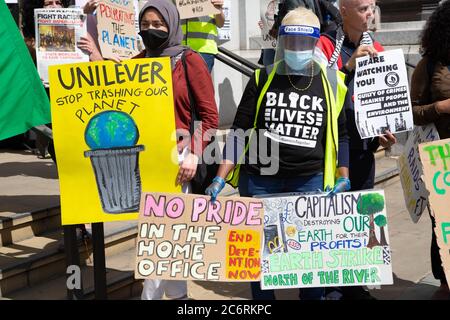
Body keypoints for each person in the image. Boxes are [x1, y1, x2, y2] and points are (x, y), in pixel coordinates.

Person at [206, 7, 351, 300]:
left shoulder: (331, 82)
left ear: (314, 43)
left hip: (308, 184)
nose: (297, 49)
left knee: (309, 268)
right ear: (282, 41)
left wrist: (343, 175)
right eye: (291, 42)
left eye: (304, 43)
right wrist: (219, 178)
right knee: (260, 266)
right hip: (260, 183)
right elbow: (239, 131)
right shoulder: (262, 79)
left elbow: (342, 135)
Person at [136, 0, 219, 300]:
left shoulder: (189, 59)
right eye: (145, 25)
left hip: (180, 159)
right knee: (165, 231)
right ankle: (179, 294)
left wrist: (195, 153)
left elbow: (210, 116)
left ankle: (152, 297)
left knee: (160, 233)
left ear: (171, 25)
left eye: (158, 24)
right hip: (148, 158)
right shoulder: (140, 61)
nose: (151, 30)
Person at [315, 0, 397, 300]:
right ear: (344, 11)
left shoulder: (377, 47)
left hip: (363, 144)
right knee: (334, 217)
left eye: (372, 7)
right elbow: (316, 88)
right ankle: (332, 286)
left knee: (363, 213)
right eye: (363, 8)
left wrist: (384, 133)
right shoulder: (325, 44)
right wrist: (347, 67)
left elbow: (382, 101)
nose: (370, 14)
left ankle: (357, 283)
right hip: (332, 144)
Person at [410, 0, 450, 297]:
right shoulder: (430, 64)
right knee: (444, 224)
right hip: (441, 158)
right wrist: (439, 107)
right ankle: (445, 281)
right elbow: (410, 112)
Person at [181, 0, 225, 72]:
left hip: (203, 51)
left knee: (200, 82)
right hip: (179, 49)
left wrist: (219, 10)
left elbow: (220, 24)